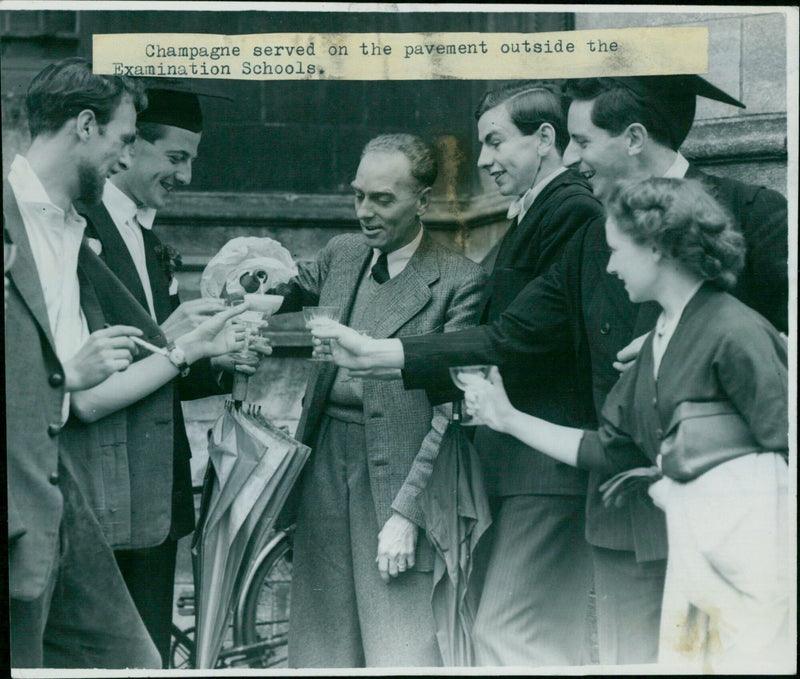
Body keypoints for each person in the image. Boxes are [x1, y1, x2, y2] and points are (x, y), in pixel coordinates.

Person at [309, 74, 788, 665]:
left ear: (634, 137)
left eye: (581, 141)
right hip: (612, 498)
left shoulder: (752, 216)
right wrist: (386, 354)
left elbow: (776, 407)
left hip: (715, 522)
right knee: (624, 654)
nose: (570, 157)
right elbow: (514, 332)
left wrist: (691, 341)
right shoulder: (594, 234)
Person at [461, 177, 790, 674]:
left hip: (745, 564)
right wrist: (506, 418)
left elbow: (784, 443)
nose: (609, 265)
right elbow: (612, 451)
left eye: (617, 250)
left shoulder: (734, 331)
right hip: (696, 557)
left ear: (657, 249)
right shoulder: (659, 336)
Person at [269, 133, 487, 667]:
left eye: (383, 199)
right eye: (359, 195)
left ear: (423, 201)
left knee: (400, 642)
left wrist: (407, 514)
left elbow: (452, 415)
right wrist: (241, 289)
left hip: (396, 479)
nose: (365, 212)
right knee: (321, 644)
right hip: (322, 468)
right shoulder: (344, 254)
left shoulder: (459, 281)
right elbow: (286, 289)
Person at [409, 81, 603, 666]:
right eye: (482, 146)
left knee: (504, 632)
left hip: (546, 471)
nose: (485, 161)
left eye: (495, 142)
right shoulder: (539, 212)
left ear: (546, 138)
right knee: (531, 635)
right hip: (521, 466)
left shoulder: (571, 209)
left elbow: (523, 335)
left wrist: (392, 357)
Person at [76, 79, 253, 665]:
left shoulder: (144, 236)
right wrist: (176, 339)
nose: (186, 176)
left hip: (159, 491)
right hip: (108, 487)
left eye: (191, 160)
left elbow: (163, 371)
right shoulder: (82, 229)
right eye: (175, 158)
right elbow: (104, 363)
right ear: (128, 147)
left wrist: (218, 360)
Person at [3, 57, 159, 668]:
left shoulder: (75, 228)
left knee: (135, 663)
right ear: (86, 125)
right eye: (123, 140)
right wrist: (67, 377)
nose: (127, 159)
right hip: (16, 503)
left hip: (63, 496)